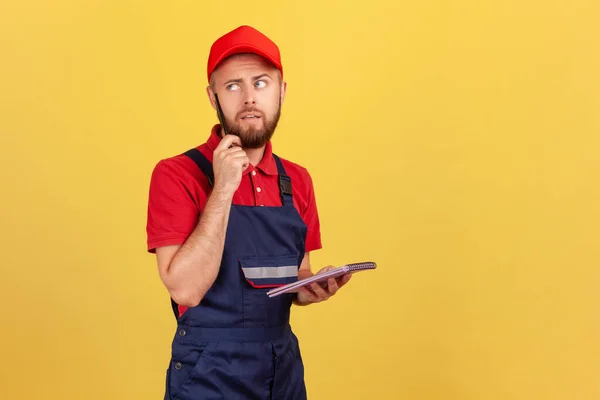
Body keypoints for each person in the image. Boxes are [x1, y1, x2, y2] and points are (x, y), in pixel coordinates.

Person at [145, 25, 352, 399]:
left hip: (282, 370)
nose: (249, 98)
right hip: (208, 375)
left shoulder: (297, 181)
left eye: (260, 83)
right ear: (213, 98)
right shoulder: (177, 174)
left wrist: (310, 287)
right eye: (233, 86)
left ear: (281, 91)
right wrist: (223, 187)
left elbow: (295, 274)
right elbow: (186, 290)